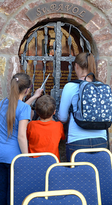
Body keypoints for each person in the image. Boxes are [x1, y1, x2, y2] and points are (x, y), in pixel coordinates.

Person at [0, 73, 43, 205]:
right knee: (13, 195)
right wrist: (26, 158)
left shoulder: (2, 103)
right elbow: (21, 136)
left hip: (1, 155)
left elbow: (17, 107)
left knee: (1, 193)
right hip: (15, 158)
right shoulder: (24, 108)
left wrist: (35, 96)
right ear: (27, 90)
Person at [58, 52, 108, 161]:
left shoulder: (70, 87)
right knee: (97, 177)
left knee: (77, 177)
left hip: (77, 141)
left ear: (76, 66)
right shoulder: (101, 86)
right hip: (101, 140)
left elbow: (62, 118)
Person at [27, 95, 65, 162]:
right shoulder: (59, 126)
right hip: (52, 163)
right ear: (54, 112)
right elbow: (63, 138)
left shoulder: (31, 125)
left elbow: (26, 138)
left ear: (37, 112)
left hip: (34, 162)